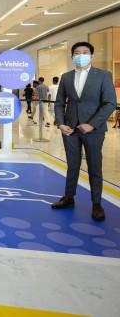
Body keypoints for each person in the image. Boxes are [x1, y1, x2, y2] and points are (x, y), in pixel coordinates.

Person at [52, 42, 117, 221]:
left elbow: (110, 103)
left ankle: (96, 203)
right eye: (77, 53)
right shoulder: (66, 77)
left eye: (85, 52)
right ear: (72, 56)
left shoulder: (103, 75)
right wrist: (60, 123)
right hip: (70, 129)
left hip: (93, 130)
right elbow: (59, 103)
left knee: (95, 166)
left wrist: (92, 124)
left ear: (92, 56)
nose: (81, 55)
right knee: (72, 165)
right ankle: (68, 197)